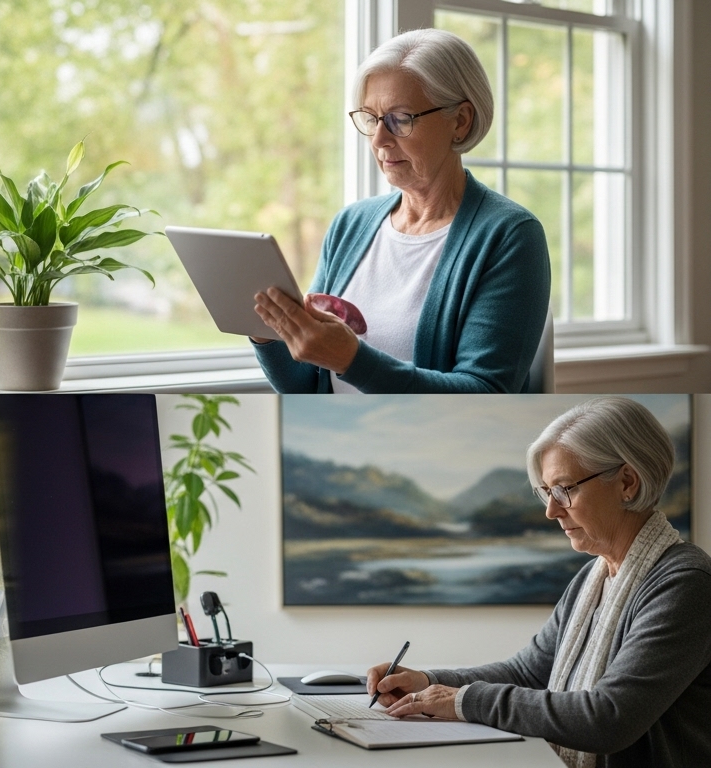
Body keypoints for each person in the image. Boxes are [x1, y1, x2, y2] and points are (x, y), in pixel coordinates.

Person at [366, 397, 711, 767]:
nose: (551, 510)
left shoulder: (686, 584)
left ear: (627, 482)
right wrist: (425, 681)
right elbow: (528, 673)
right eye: (547, 492)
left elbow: (609, 718)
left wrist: (462, 701)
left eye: (565, 488)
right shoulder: (592, 579)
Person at [251, 28, 550, 393]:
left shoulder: (510, 235)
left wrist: (352, 360)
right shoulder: (350, 224)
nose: (379, 140)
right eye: (371, 119)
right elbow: (307, 388)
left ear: (460, 121)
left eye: (400, 119)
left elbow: (485, 394)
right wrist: (269, 332)